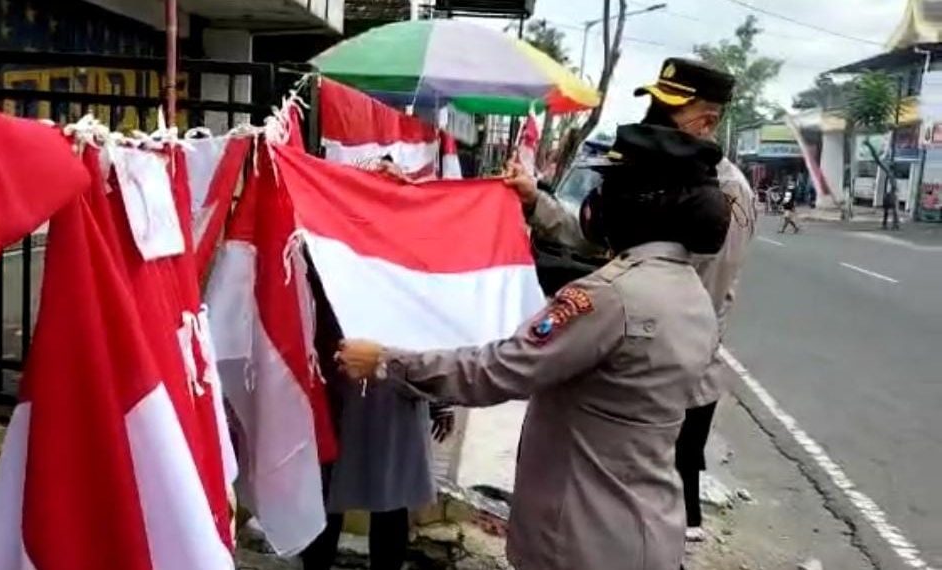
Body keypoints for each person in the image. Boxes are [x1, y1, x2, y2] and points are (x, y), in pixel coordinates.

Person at [337, 123, 732, 570]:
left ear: (642, 203)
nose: (596, 201)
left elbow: (498, 370)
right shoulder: (690, 293)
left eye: (610, 187)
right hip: (649, 527)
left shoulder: (609, 296)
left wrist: (388, 362)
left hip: (582, 539)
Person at [300, 154, 454, 570]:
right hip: (337, 382)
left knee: (391, 498)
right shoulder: (323, 239)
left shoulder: (416, 247)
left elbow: (433, 321)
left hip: (396, 383)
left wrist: (441, 397)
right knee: (326, 493)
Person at [632, 58, 757, 541]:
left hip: (673, 370)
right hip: (644, 362)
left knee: (665, 515)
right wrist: (538, 204)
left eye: (668, 113)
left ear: (706, 121)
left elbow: (696, 297)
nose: (654, 124)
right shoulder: (667, 177)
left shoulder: (724, 192)